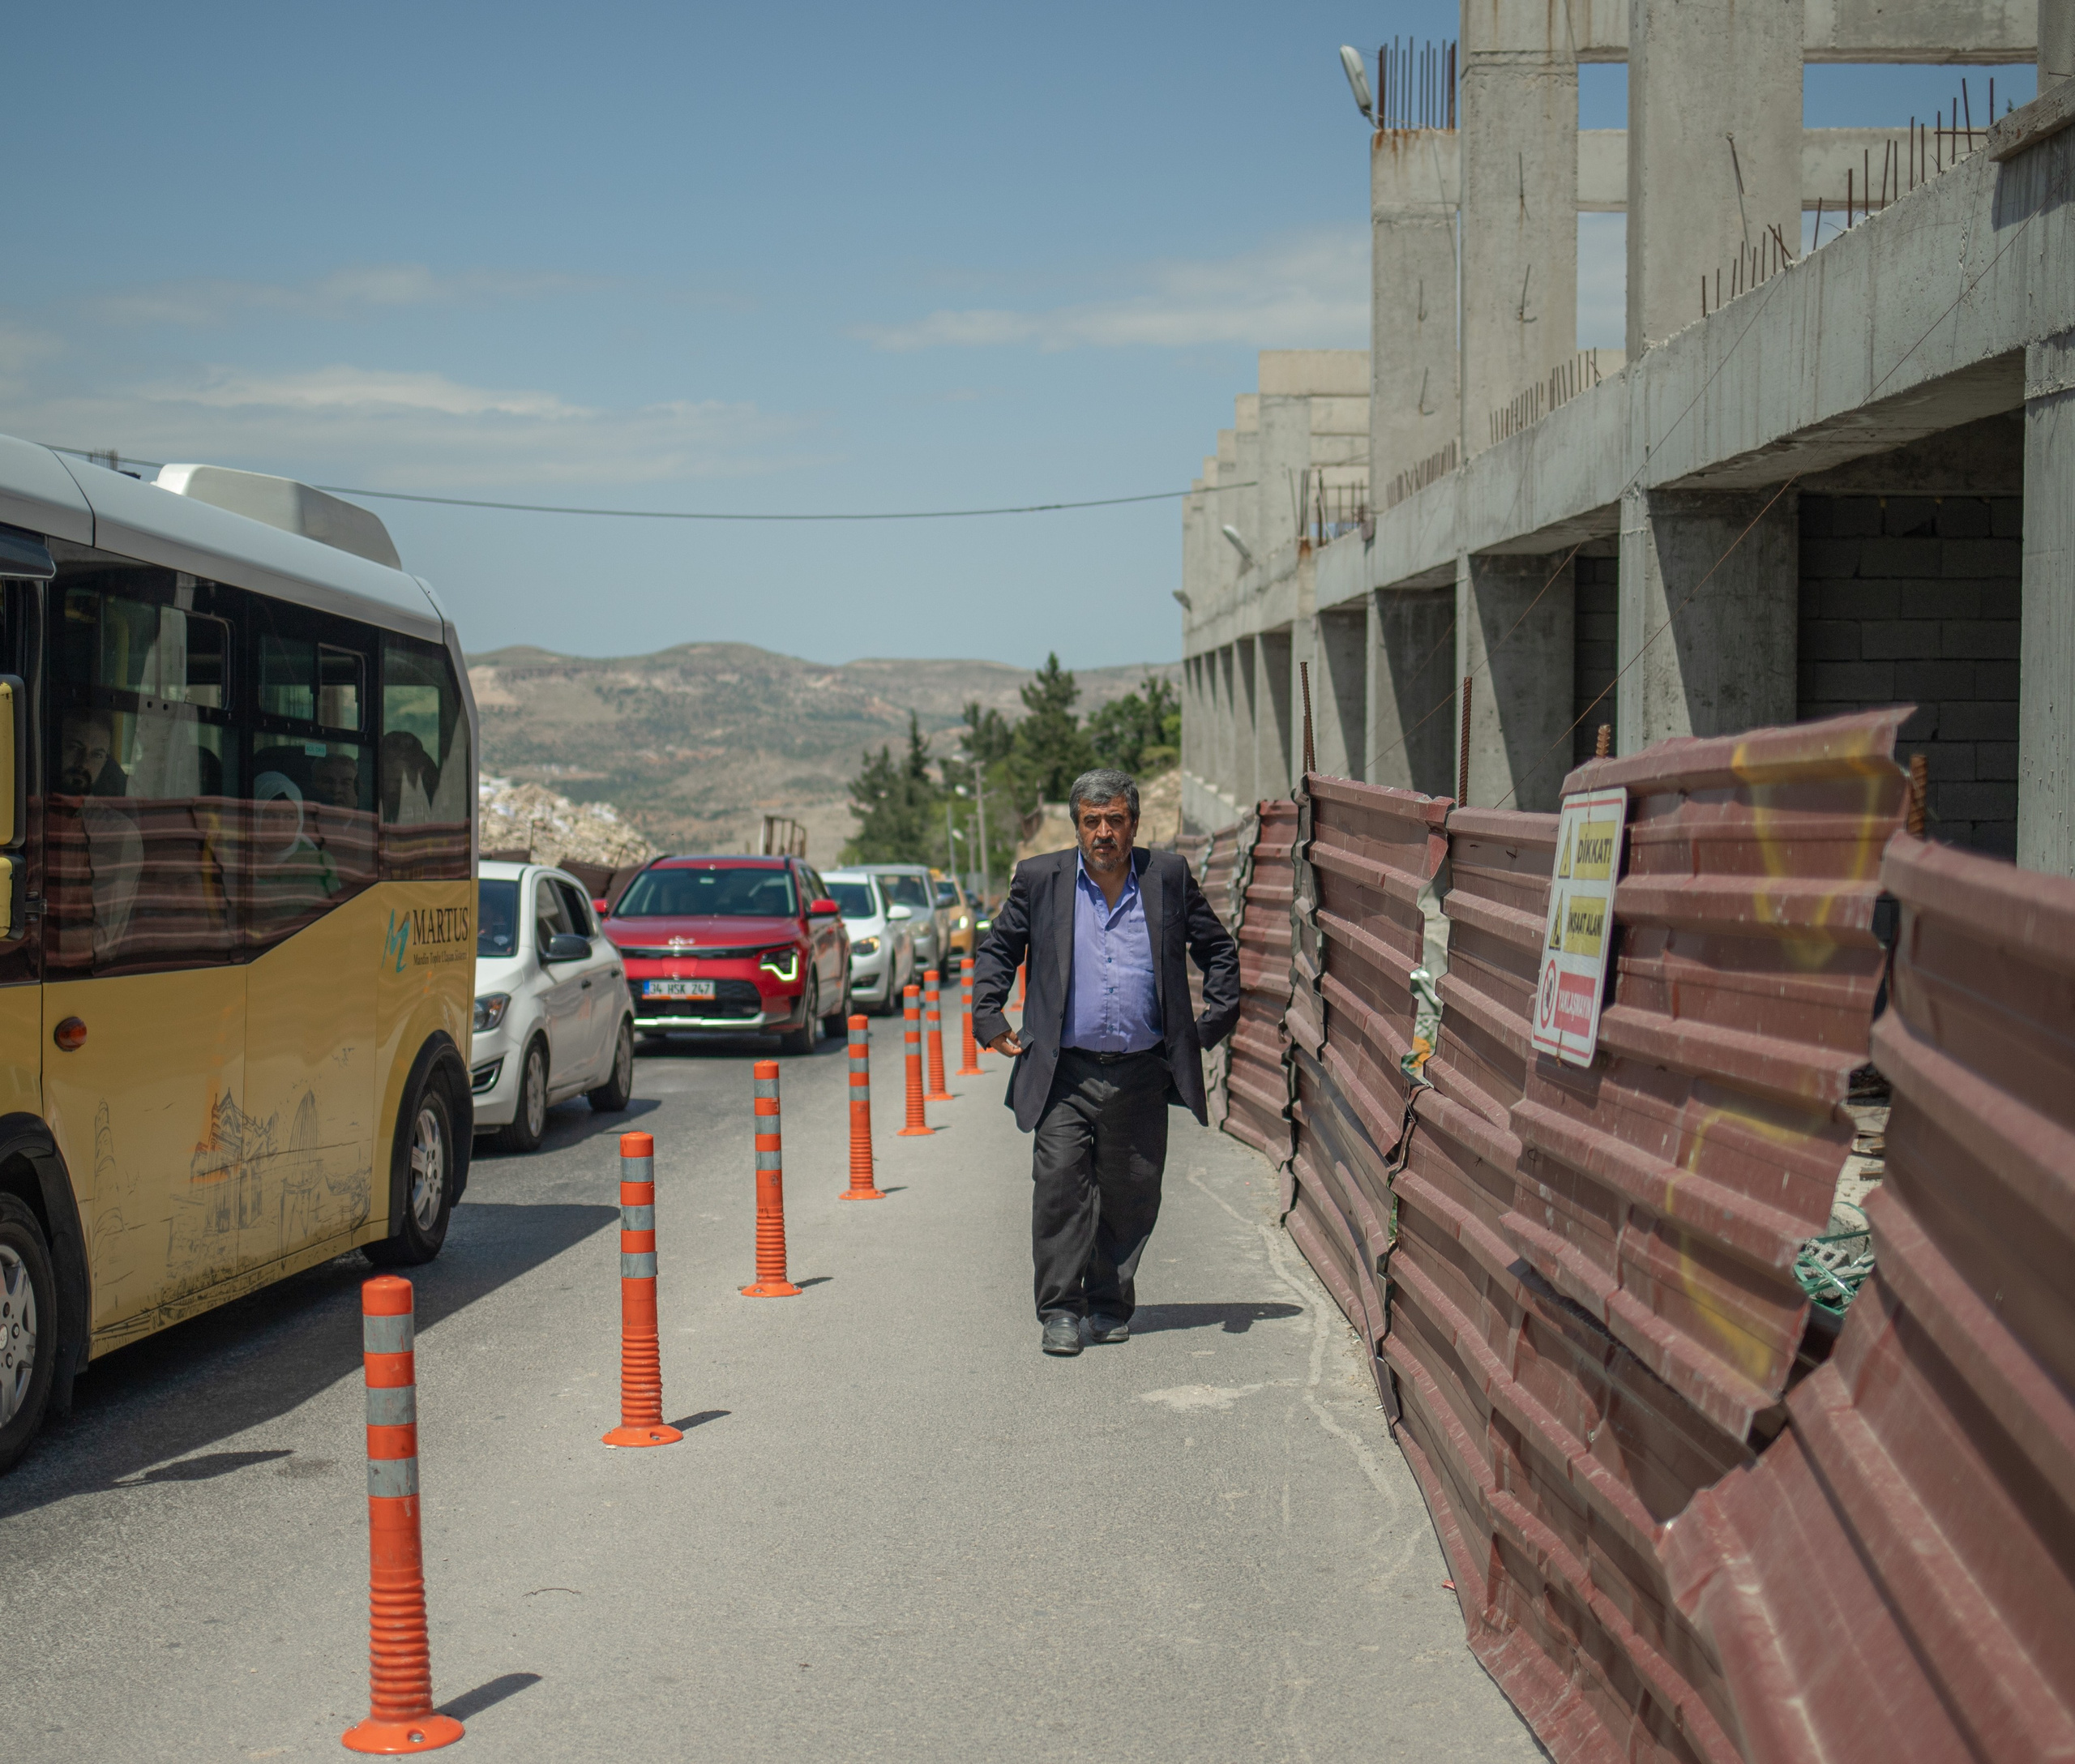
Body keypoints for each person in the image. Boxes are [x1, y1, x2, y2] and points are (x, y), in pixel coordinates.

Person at [972, 768, 1239, 1357]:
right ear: (1077, 825)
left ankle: (1109, 1304)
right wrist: (989, 1017)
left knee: (1131, 1193)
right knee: (1060, 1189)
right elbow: (997, 949)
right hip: (1063, 1072)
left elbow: (1218, 950)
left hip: (1143, 1071)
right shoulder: (1040, 879)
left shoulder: (1167, 876)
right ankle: (1060, 1311)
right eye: (1091, 821)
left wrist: (1206, 1029)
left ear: (1133, 824)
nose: (1103, 833)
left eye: (1114, 820)